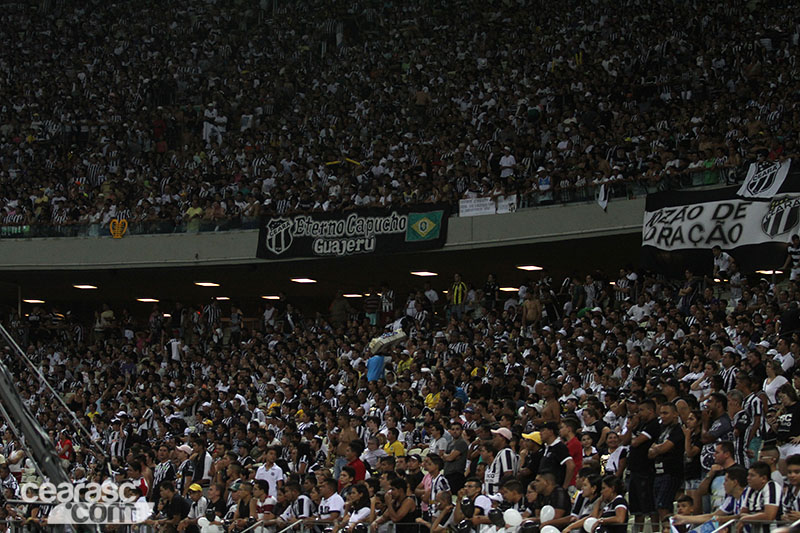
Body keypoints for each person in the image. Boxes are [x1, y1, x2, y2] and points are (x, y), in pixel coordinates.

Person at [738, 461, 781, 533]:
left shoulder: (772, 487)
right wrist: (757, 515)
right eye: (748, 475)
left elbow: (769, 516)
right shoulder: (750, 489)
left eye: (752, 475)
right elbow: (742, 513)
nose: (748, 478)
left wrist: (747, 517)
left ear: (763, 478)